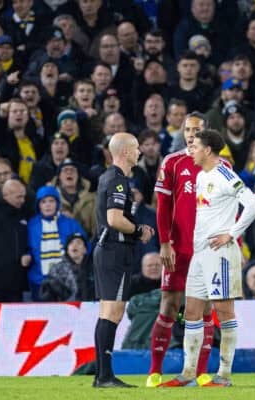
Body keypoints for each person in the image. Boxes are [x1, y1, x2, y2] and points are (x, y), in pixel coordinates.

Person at [160, 129, 255, 387]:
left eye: (195, 146)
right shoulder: (202, 176)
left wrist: (232, 234)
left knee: (224, 311)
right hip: (200, 253)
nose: (190, 150)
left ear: (208, 150)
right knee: (191, 311)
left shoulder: (225, 173)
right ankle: (188, 374)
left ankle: (224, 375)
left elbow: (251, 203)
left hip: (220, 253)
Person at [147, 112, 215, 387]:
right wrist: (164, 243)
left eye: (196, 130)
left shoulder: (218, 166)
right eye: (187, 129)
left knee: (205, 310)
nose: (190, 134)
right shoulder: (172, 162)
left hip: (207, 250)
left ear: (206, 133)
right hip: (179, 249)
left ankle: (200, 373)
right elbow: (162, 208)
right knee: (169, 306)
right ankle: (155, 371)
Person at [92, 132, 155, 388]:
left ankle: (101, 375)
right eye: (137, 148)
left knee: (107, 312)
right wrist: (139, 230)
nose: (139, 152)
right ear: (126, 151)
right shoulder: (118, 181)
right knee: (112, 312)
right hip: (114, 251)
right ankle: (105, 376)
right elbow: (115, 219)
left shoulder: (109, 177)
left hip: (108, 251)